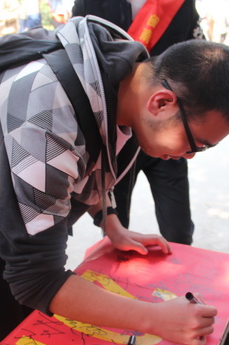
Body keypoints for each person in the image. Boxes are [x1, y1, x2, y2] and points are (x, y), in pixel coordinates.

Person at [0, 16, 229, 345]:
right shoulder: (47, 119)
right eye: (196, 143)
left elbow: (94, 156)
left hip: (18, 194)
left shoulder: (127, 81)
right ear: (161, 103)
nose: (190, 156)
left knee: (37, 328)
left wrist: (111, 222)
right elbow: (37, 279)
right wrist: (156, 318)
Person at [71, 0, 201, 246]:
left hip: (168, 131)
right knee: (116, 221)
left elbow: (196, 56)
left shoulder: (179, 3)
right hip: (116, 132)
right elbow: (78, 48)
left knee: (179, 230)